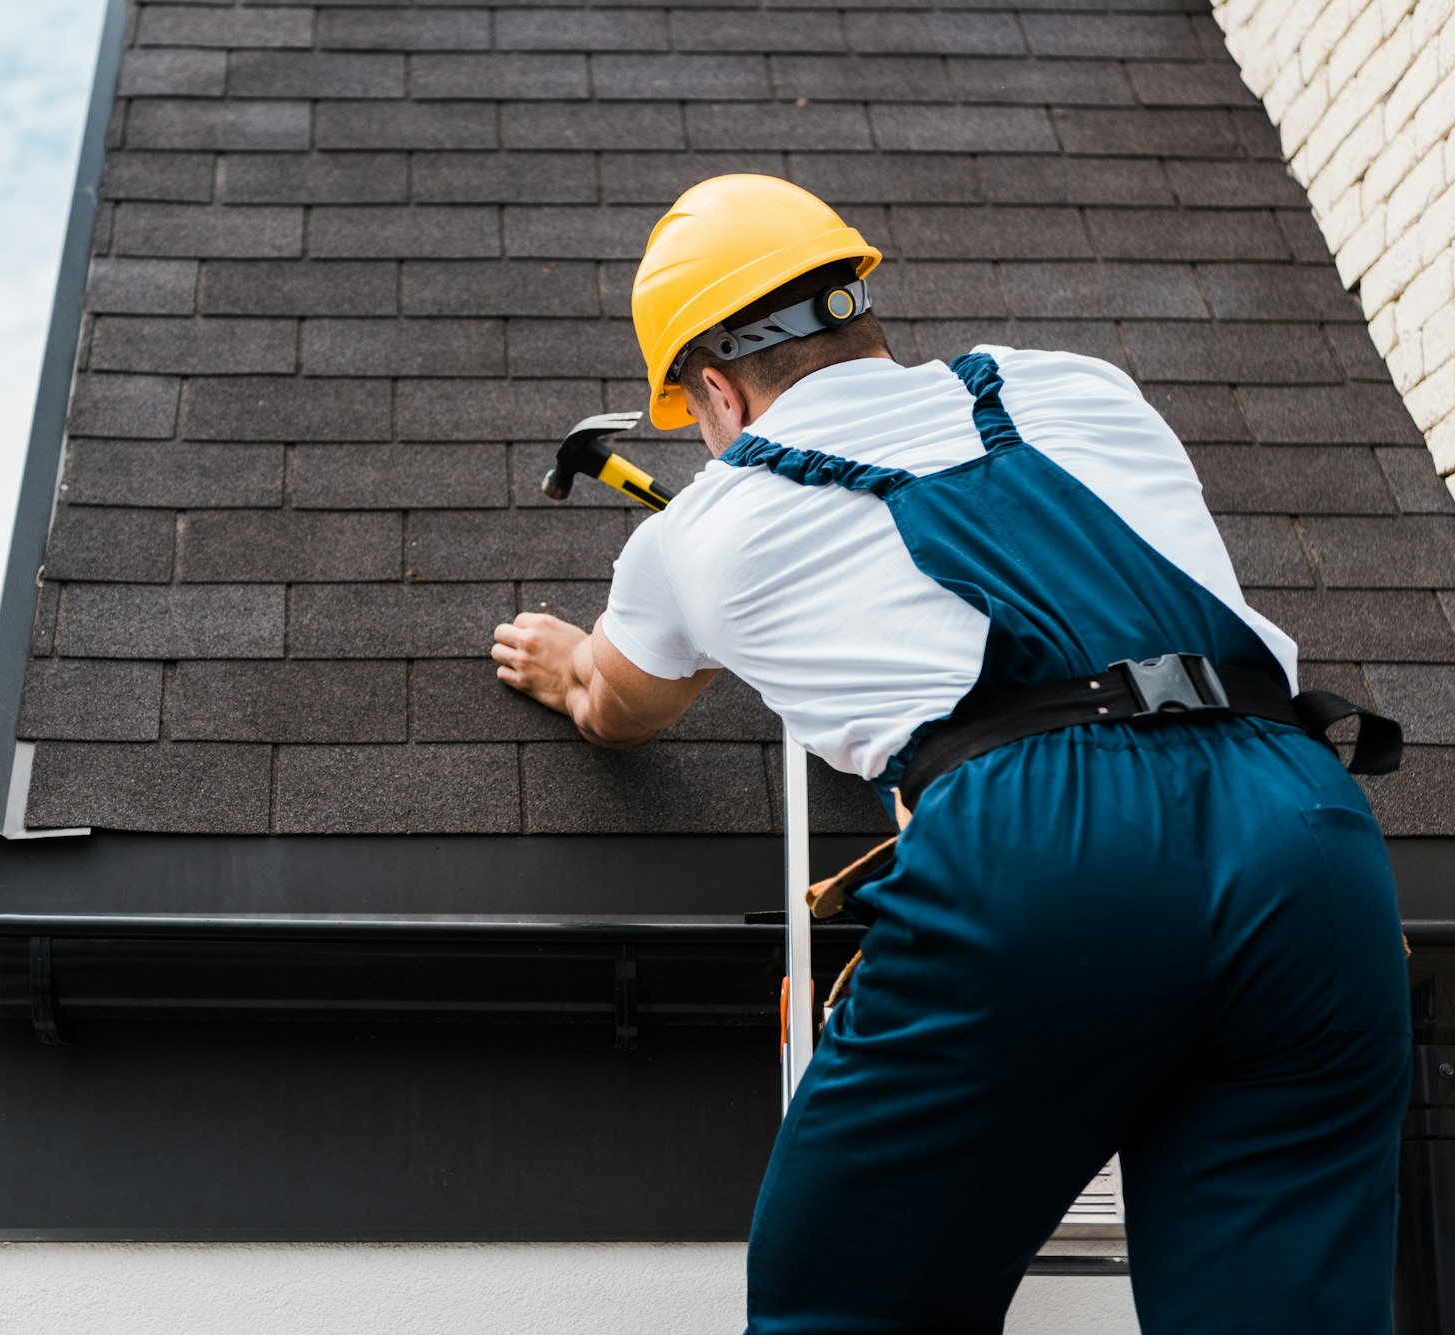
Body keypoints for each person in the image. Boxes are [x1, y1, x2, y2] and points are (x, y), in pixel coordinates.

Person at [490, 173, 1411, 1334]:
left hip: (1047, 859)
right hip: (1301, 827)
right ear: (856, 310)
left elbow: (611, 701)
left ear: (712, 393)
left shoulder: (693, 539)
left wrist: (572, 654)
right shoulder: (1080, 385)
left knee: (839, 1306)